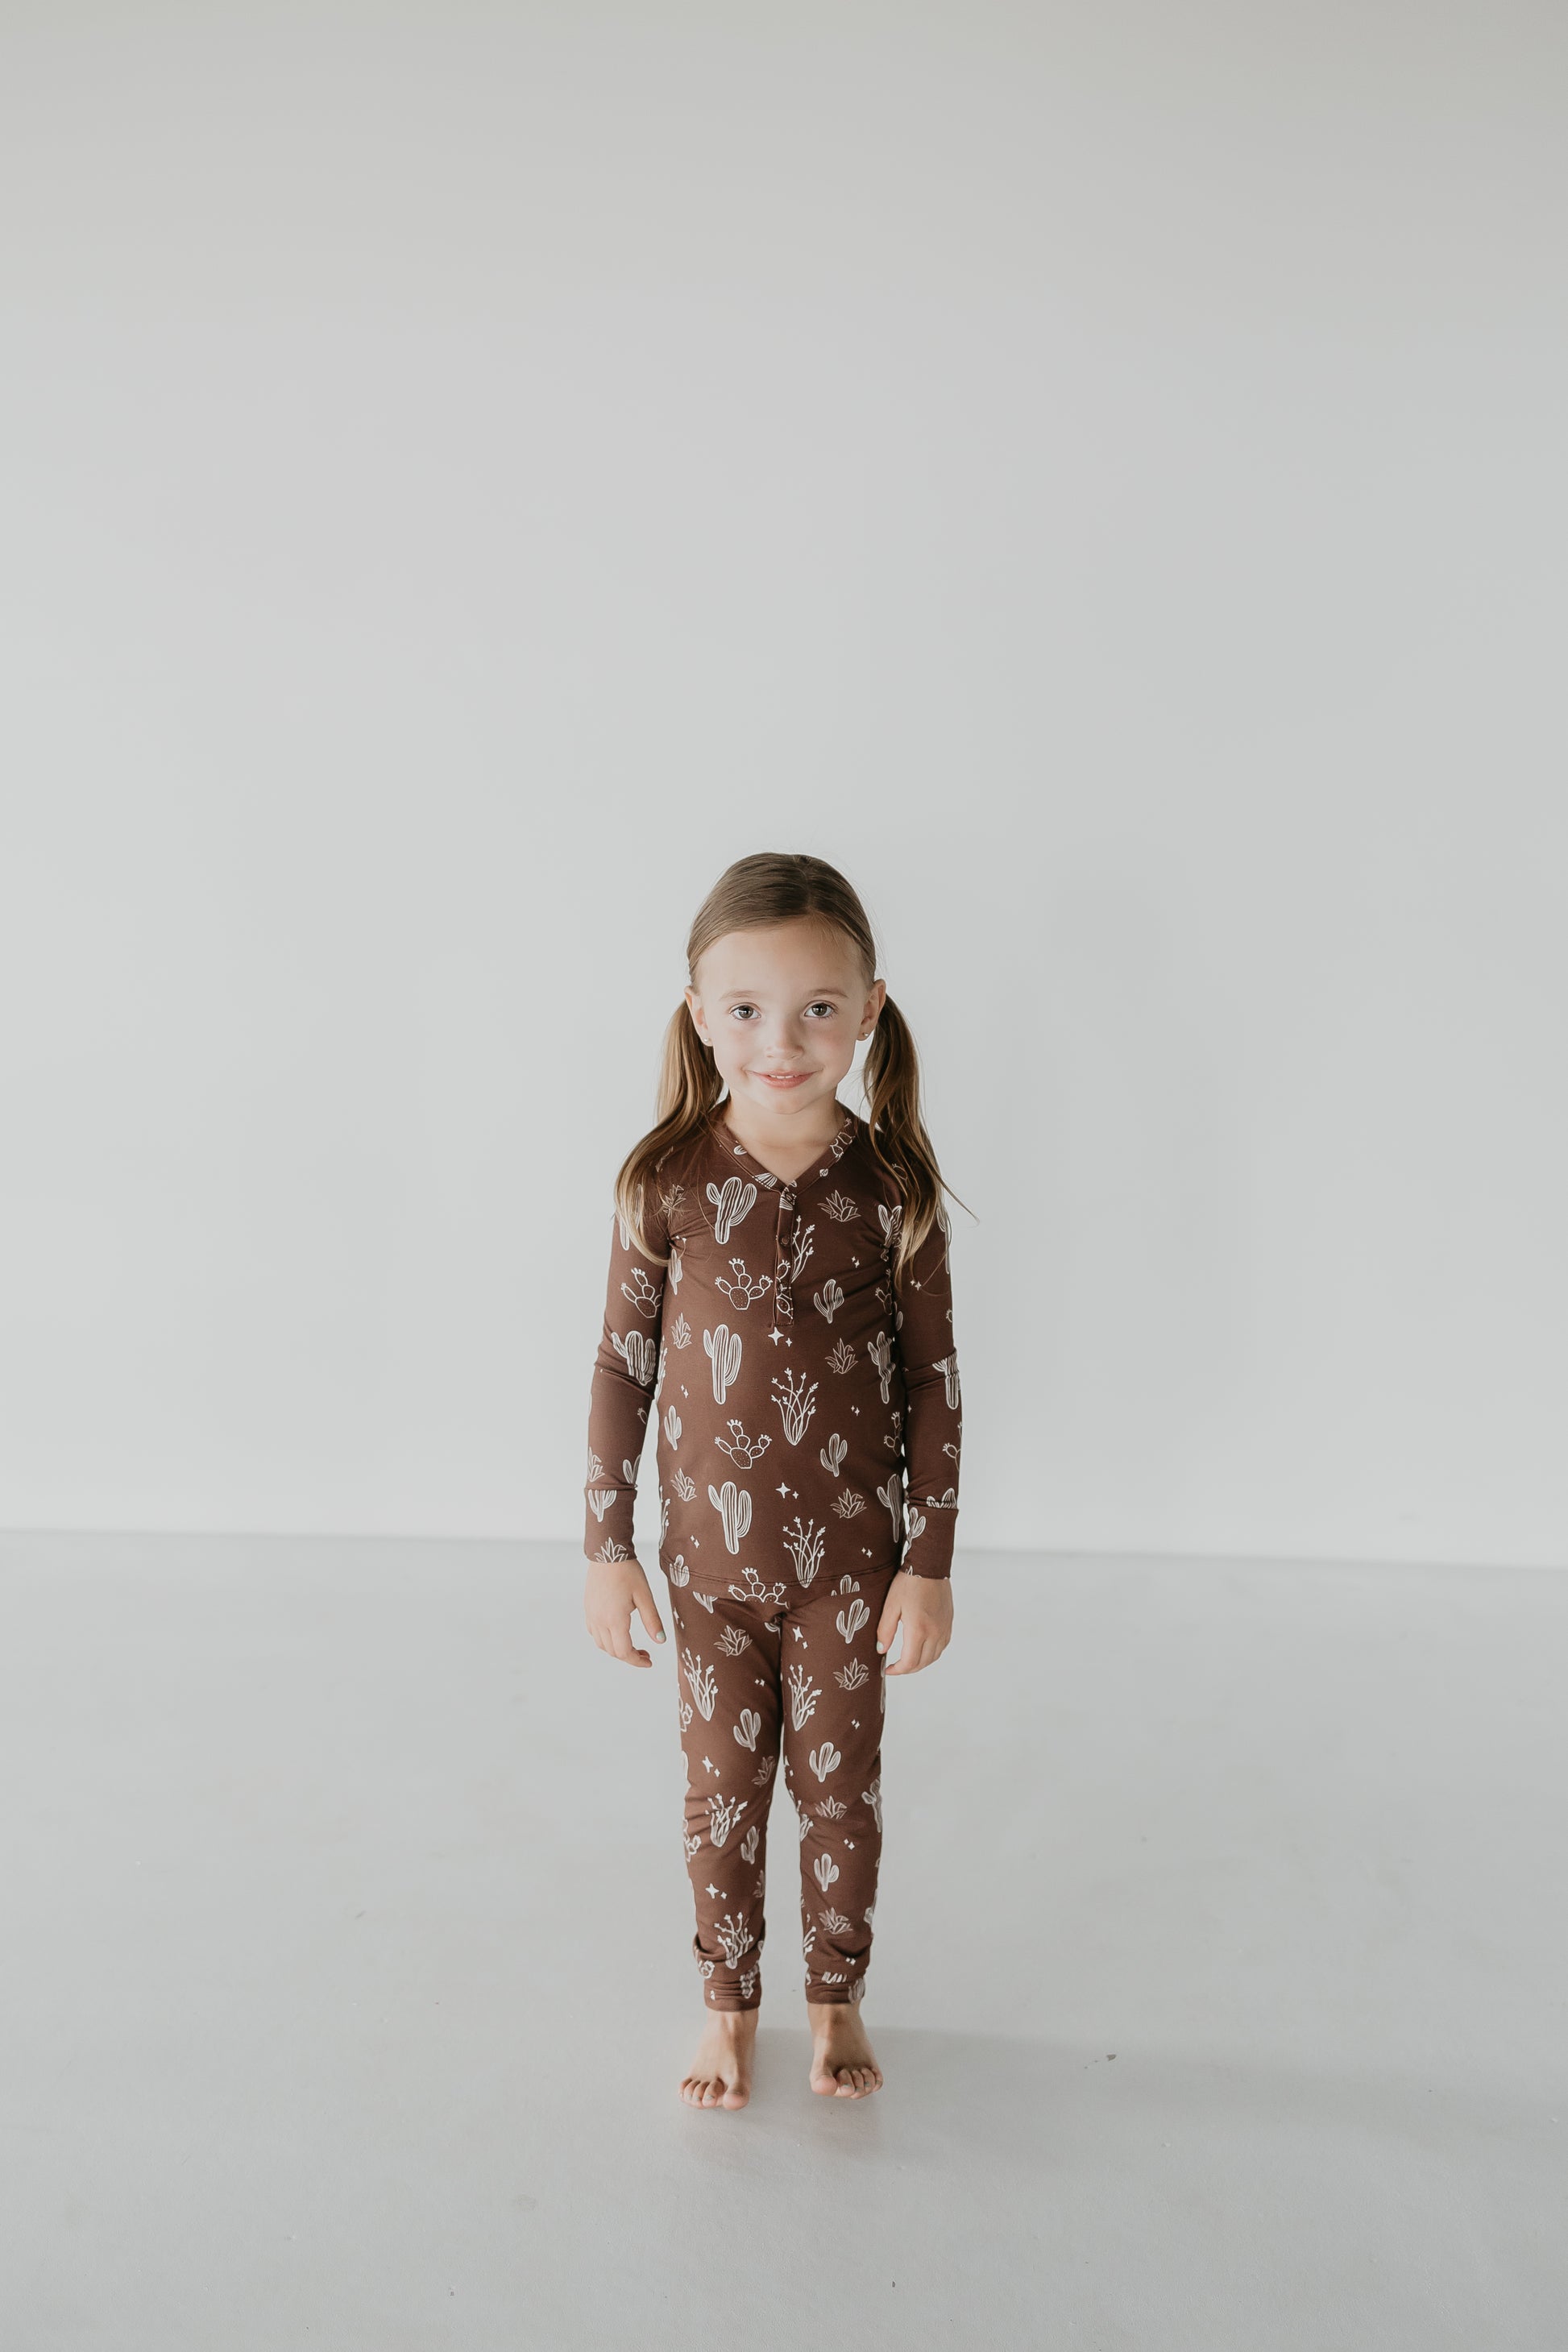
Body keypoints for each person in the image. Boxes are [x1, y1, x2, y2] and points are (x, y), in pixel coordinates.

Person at [581, 851, 968, 2109]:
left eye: (816, 1007)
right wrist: (606, 1545)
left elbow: (930, 1381)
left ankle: (834, 1996)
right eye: (744, 1008)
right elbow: (621, 1365)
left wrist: (927, 1563)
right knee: (720, 1795)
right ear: (699, 1012)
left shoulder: (892, 1187)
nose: (779, 1039)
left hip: (849, 1576)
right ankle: (726, 2003)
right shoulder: (667, 1182)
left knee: (841, 1793)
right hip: (709, 1571)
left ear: (866, 1010)